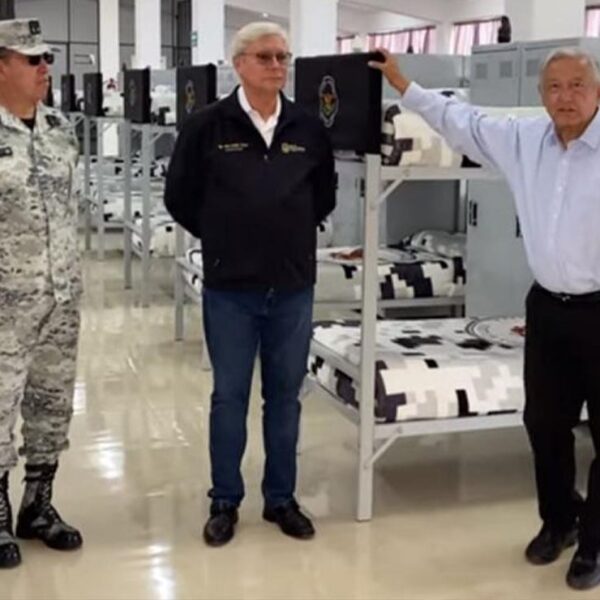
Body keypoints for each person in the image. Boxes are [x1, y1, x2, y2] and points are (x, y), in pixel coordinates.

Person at [370, 47, 600, 591]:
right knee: (543, 423)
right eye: (554, 87)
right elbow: (462, 120)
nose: (565, 97)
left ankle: (594, 543)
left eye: (577, 85)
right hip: (548, 307)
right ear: (541, 95)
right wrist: (405, 85)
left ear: (597, 92)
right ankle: (559, 521)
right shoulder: (525, 140)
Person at [164, 22, 336, 547]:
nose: (277, 65)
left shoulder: (307, 127)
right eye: (265, 56)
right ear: (238, 64)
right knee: (229, 397)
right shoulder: (207, 125)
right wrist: (223, 236)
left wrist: (285, 233)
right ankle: (225, 500)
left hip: (292, 286)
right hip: (230, 288)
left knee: (285, 398)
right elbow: (179, 196)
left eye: (283, 56)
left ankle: (281, 499)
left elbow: (323, 196)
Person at [0, 18, 83, 569]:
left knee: (51, 404)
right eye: (32, 59)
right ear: (1, 66)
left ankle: (38, 505)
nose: (44, 68)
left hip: (60, 299)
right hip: (5, 300)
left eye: (47, 58)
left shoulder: (59, 127)